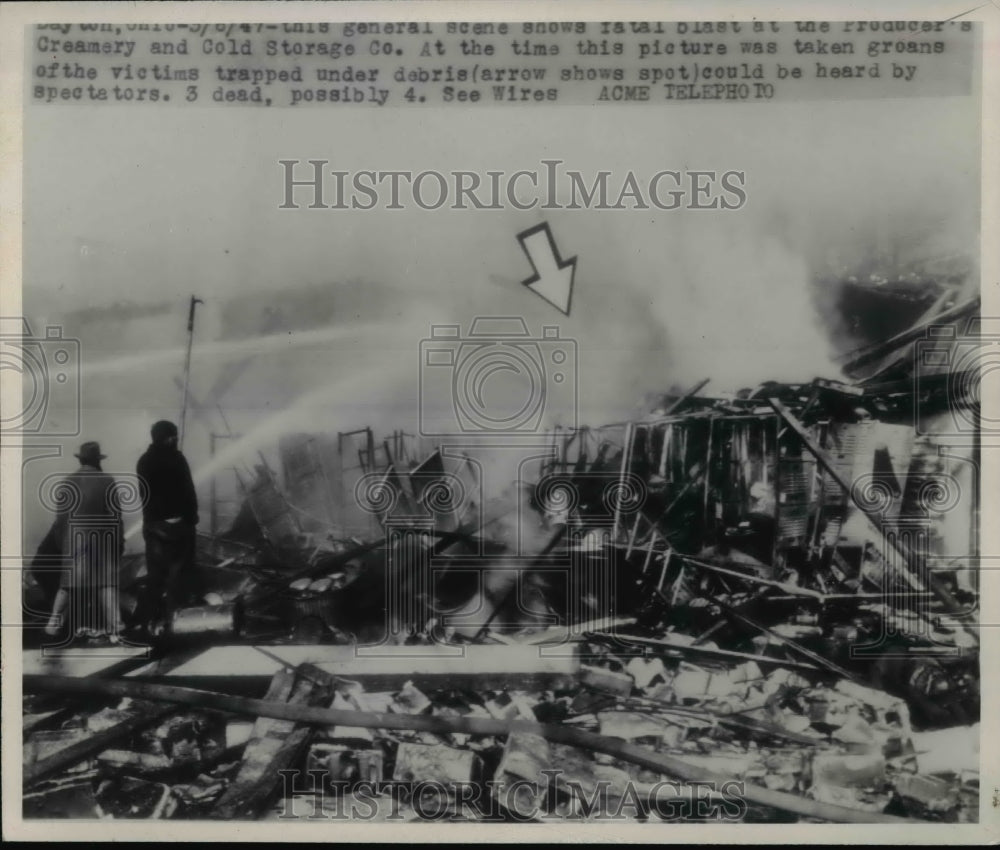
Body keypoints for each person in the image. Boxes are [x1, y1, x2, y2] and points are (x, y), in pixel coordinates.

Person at [42, 441, 123, 642]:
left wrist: (63, 546)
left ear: (81, 459)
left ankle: (53, 626)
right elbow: (115, 518)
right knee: (106, 585)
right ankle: (117, 628)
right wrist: (118, 543)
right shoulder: (108, 481)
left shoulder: (67, 482)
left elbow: (60, 521)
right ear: (97, 460)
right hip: (102, 545)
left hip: (74, 544)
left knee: (68, 586)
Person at [136, 420, 200, 630]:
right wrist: (191, 518)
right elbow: (189, 491)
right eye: (174, 436)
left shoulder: (143, 461)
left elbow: (144, 496)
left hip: (154, 527)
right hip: (180, 527)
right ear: (166, 437)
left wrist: (153, 521)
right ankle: (176, 620)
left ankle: (150, 621)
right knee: (180, 575)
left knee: (155, 575)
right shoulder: (178, 459)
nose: (177, 439)